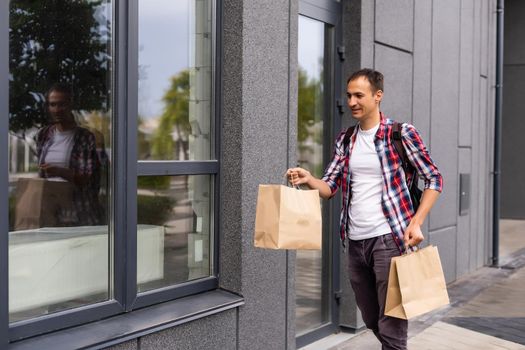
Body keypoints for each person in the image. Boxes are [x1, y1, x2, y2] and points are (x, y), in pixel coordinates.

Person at [287, 69, 443, 350]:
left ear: (377, 96)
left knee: (392, 323)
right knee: (372, 319)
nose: (352, 102)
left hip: (389, 240)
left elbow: (434, 178)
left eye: (359, 95)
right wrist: (309, 179)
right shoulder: (346, 139)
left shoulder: (400, 134)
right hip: (355, 243)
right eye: (349, 96)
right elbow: (330, 187)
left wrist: (416, 222)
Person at [35, 83, 104, 226]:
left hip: (78, 210)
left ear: (70, 105)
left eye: (62, 104)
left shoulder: (85, 137)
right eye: (52, 105)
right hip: (51, 210)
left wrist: (58, 171)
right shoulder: (44, 134)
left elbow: (86, 179)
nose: (57, 110)